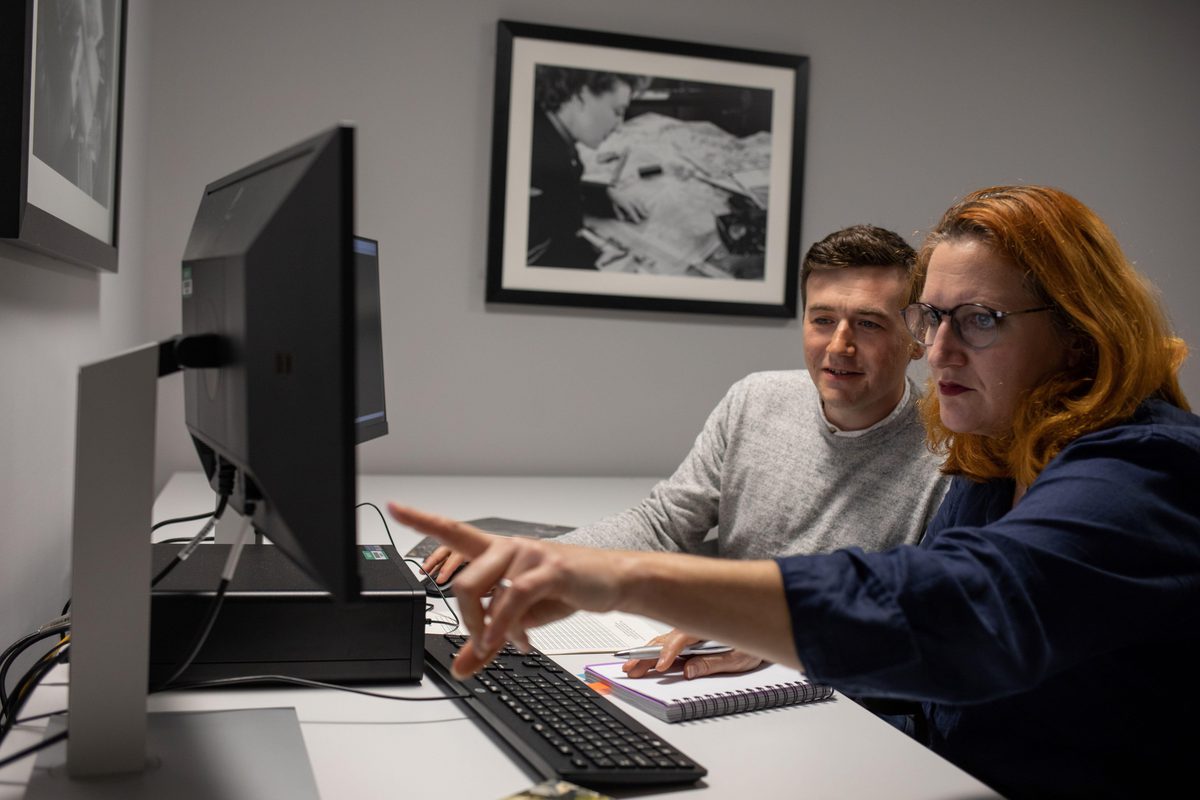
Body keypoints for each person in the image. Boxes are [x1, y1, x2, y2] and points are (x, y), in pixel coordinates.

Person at [391, 185, 1200, 798]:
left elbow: (971, 609)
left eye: (980, 318)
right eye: (933, 318)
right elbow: (942, 664)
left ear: (1078, 331)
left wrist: (620, 576)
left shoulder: (1150, 469)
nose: (942, 350)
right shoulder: (995, 451)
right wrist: (779, 641)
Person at [424, 225, 951, 678]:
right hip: (706, 659)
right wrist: (538, 557)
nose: (839, 344)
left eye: (868, 323)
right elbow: (663, 523)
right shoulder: (756, 399)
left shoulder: (948, 459)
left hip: (831, 687)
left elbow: (926, 625)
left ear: (915, 337)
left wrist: (780, 640)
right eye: (822, 320)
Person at [527, 66, 650, 269]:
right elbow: (534, 261)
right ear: (581, 96)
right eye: (617, 111)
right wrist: (597, 276)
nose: (619, 126)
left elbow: (556, 194)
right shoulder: (537, 155)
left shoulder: (550, 130)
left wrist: (602, 196)